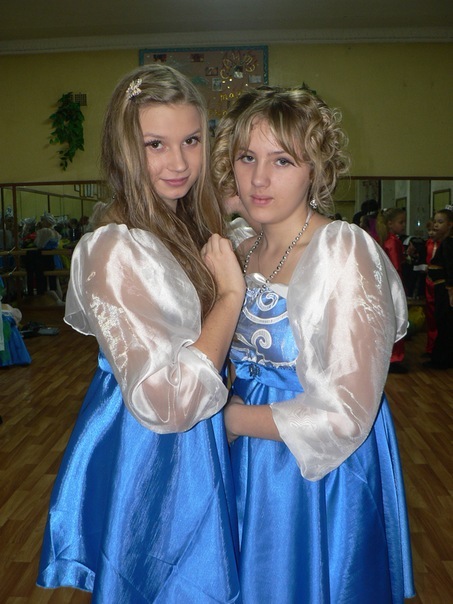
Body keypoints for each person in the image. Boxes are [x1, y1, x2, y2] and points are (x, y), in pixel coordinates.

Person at [37, 64, 245, 602]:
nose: (179, 163)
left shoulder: (182, 223)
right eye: (156, 144)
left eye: (191, 141)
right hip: (152, 448)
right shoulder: (115, 248)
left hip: (188, 434)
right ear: (126, 148)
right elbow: (166, 403)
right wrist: (229, 296)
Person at [212, 86, 415, 603]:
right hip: (244, 457)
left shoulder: (343, 252)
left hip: (316, 469)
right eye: (247, 157)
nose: (259, 178)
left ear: (315, 169)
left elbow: (348, 413)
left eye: (282, 160)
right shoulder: (241, 244)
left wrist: (231, 420)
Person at [376, 207, 409, 373]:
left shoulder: (385, 240)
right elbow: (396, 267)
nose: (403, 225)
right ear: (390, 223)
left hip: (385, 285)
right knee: (397, 319)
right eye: (401, 222)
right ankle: (395, 357)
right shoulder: (393, 242)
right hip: (394, 286)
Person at [424, 207, 453, 369]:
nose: (436, 225)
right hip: (440, 288)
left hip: (444, 289)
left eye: (440, 222)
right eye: (435, 221)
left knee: (444, 323)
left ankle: (442, 359)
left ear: (450, 224)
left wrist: (450, 289)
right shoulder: (445, 242)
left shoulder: (448, 243)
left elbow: (450, 268)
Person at [424, 219, 438, 355]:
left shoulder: (443, 245)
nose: (431, 233)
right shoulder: (428, 243)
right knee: (430, 315)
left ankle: (436, 347)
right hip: (429, 281)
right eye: (429, 230)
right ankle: (430, 347)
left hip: (438, 282)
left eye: (434, 230)